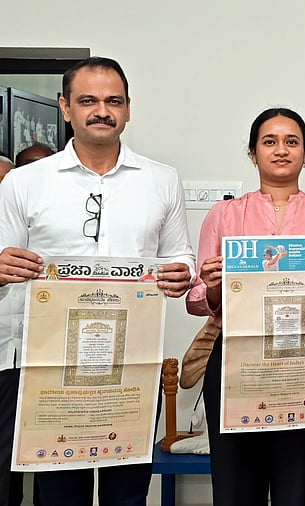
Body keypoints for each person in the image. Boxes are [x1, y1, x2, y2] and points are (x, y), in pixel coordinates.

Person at [0, 56, 195, 506]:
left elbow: (179, 254)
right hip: (50, 366)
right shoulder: (24, 182)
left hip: (132, 363)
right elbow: (4, 259)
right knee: (58, 493)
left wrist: (180, 272)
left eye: (113, 101)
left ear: (128, 109)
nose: (101, 110)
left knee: (126, 492)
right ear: (65, 107)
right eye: (88, 100)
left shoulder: (161, 180)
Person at [186, 107, 305, 505]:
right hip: (238, 364)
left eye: (291, 142)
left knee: (300, 488)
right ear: (253, 153)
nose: (281, 150)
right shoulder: (224, 215)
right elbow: (199, 301)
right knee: (236, 488)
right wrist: (214, 286)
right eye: (270, 142)